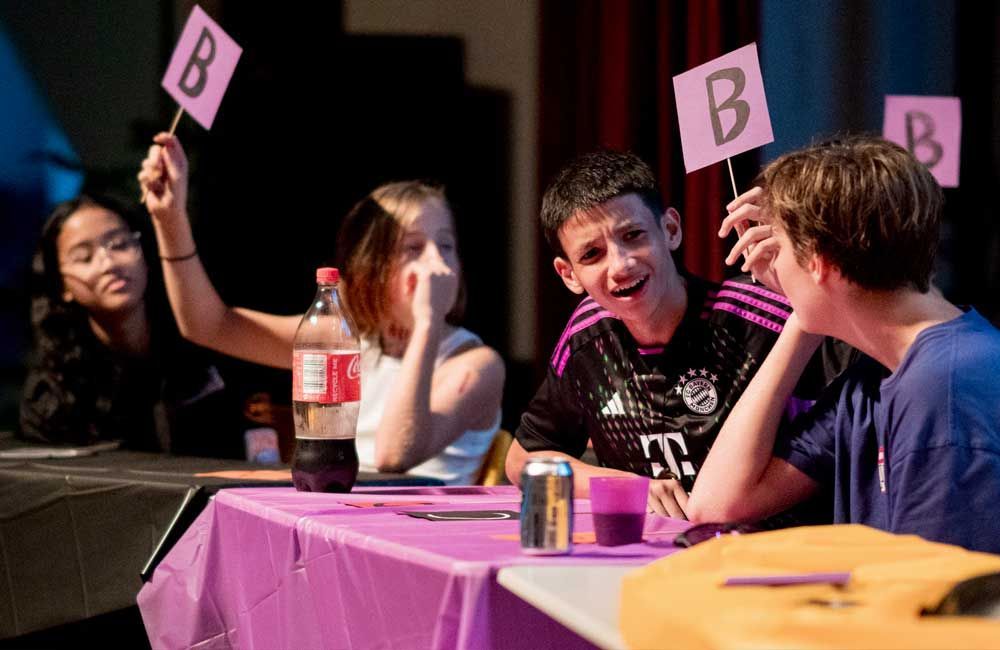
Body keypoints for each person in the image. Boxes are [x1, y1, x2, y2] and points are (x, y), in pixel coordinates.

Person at [686, 136, 1000, 553]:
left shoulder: (943, 386)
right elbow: (716, 505)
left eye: (775, 246)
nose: (766, 266)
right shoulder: (876, 376)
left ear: (818, 261)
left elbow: (934, 599)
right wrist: (803, 313)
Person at [137, 133, 505, 485]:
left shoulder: (476, 364)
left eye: (446, 246)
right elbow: (210, 325)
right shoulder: (343, 339)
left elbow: (394, 456)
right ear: (371, 264)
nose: (436, 263)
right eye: (413, 248)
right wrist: (170, 220)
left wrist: (427, 321)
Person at [506, 151, 855, 516]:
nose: (621, 265)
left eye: (633, 235)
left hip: (768, 554)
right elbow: (523, 459)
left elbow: (873, 384)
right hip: (647, 559)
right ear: (568, 274)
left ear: (670, 230)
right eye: (592, 254)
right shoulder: (587, 335)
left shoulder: (763, 314)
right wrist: (624, 485)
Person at [19, 193, 244, 457]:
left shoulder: (208, 346)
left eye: (120, 244)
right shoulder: (52, 394)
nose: (109, 263)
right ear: (62, 286)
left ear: (146, 257)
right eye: (84, 257)